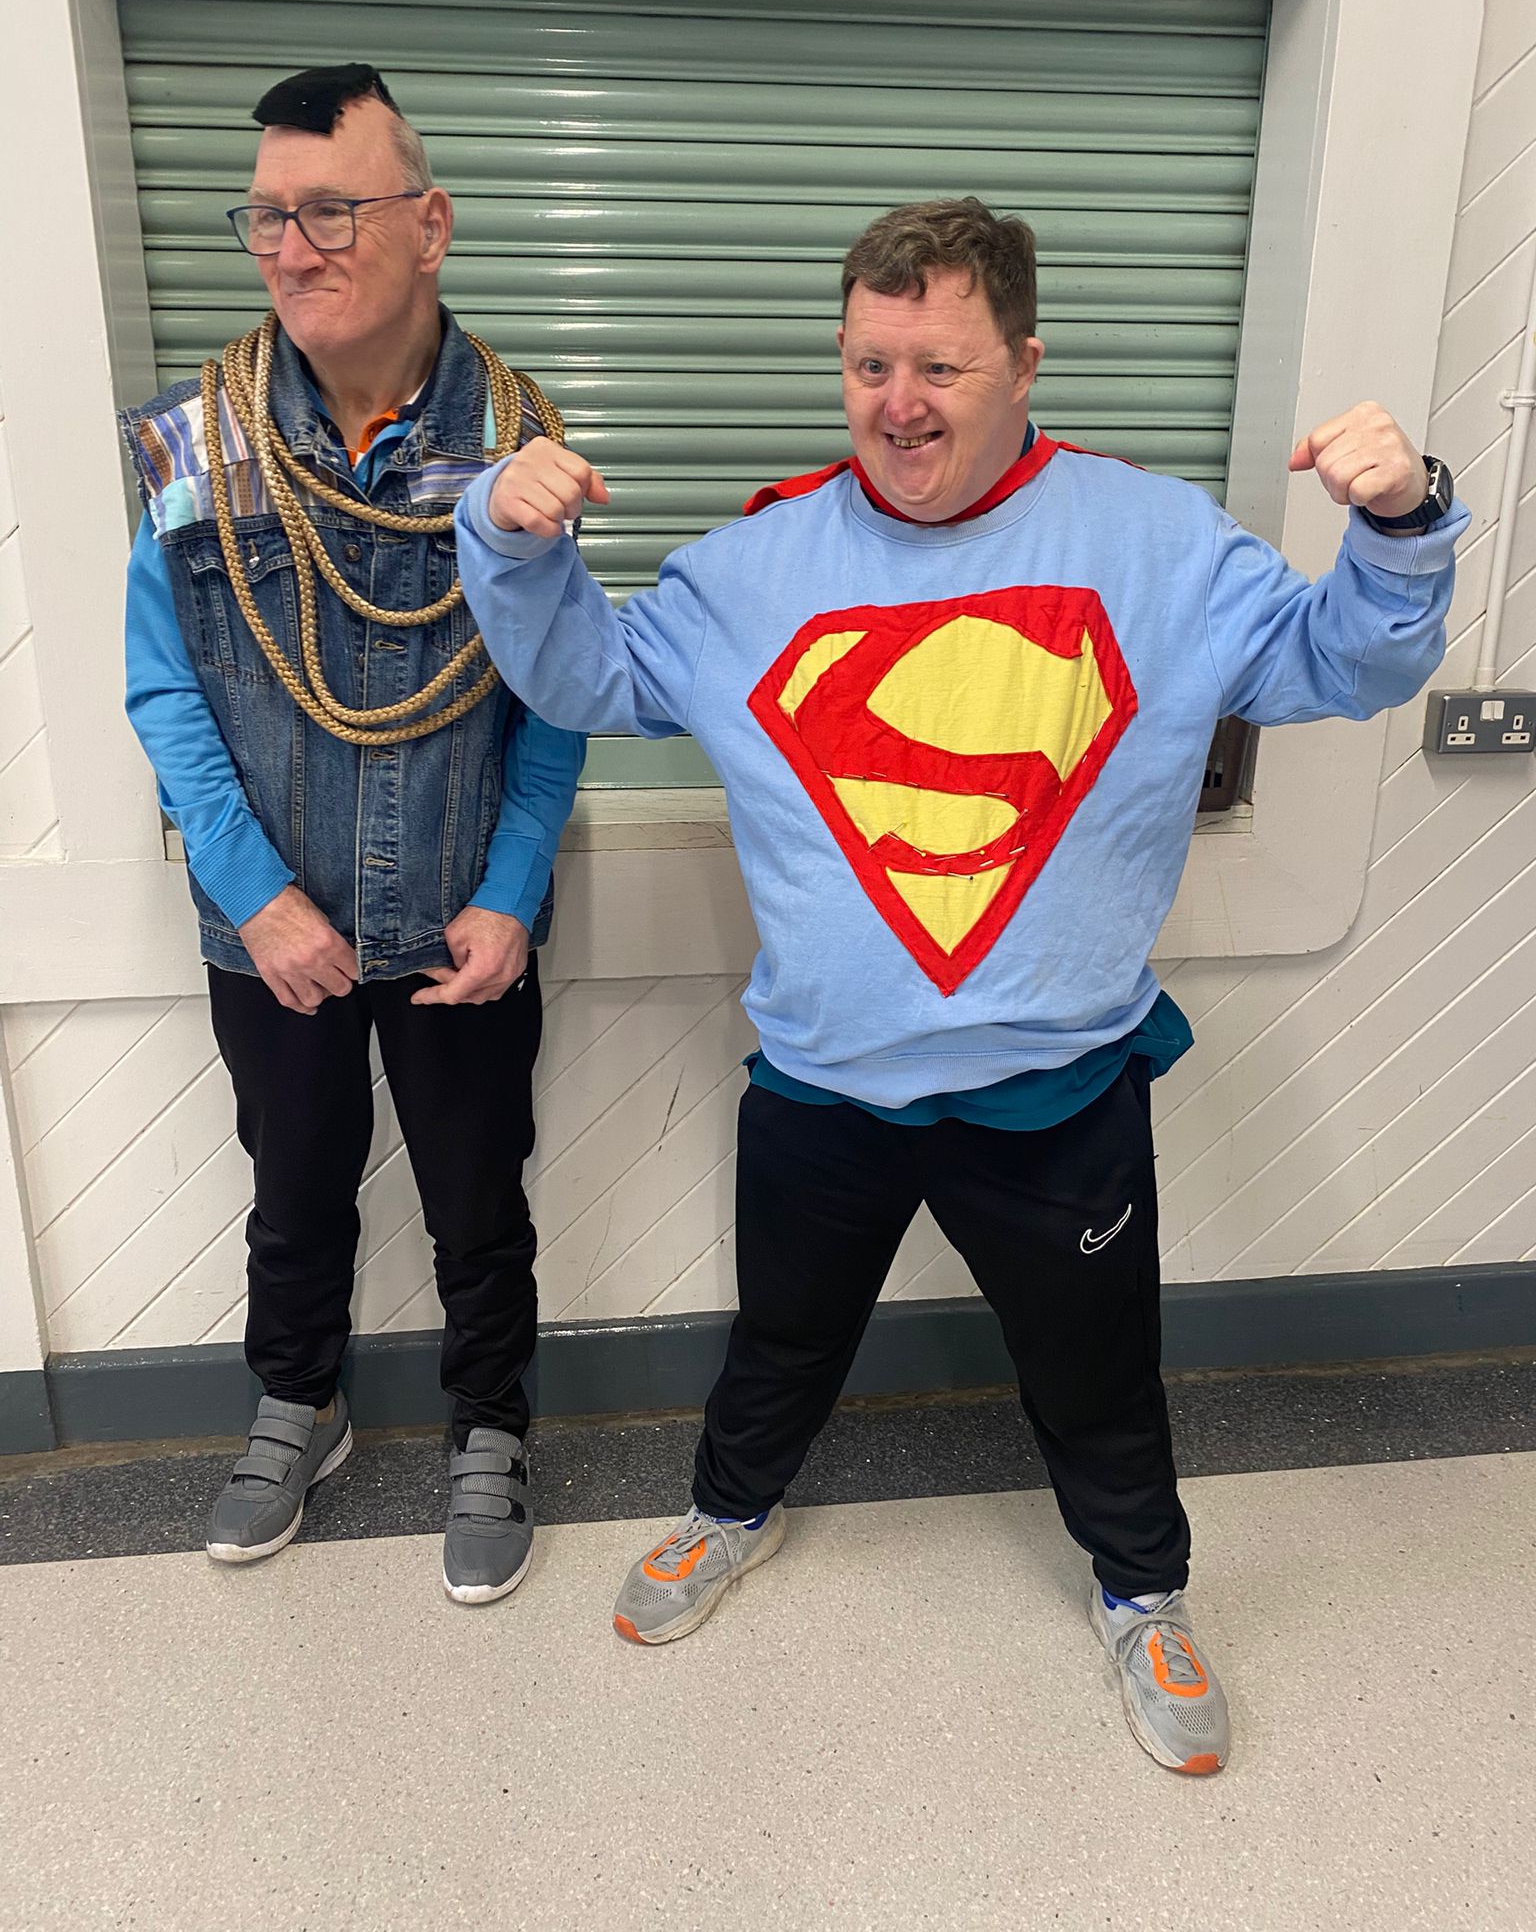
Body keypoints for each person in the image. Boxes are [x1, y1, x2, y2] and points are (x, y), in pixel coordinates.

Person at [453, 197, 1464, 1769]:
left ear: (1026, 363)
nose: (900, 403)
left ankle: (1143, 1593)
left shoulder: (1159, 544)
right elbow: (589, 676)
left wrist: (1402, 523)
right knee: (781, 1340)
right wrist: (510, 542)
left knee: (1099, 1377)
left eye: (941, 365)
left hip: (1057, 1092)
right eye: (870, 365)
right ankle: (730, 1511)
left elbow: (1352, 662)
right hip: (823, 1080)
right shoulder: (754, 564)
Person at [121, 65, 584, 1604]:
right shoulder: (195, 441)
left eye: (329, 210)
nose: (290, 248)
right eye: (267, 215)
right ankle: (298, 1401)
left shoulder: (513, 443)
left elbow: (557, 693)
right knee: (294, 1184)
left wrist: (513, 891)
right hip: (275, 924)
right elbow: (162, 686)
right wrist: (253, 897)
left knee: (478, 1192)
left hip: (458, 915)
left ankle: (491, 1421)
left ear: (428, 225)